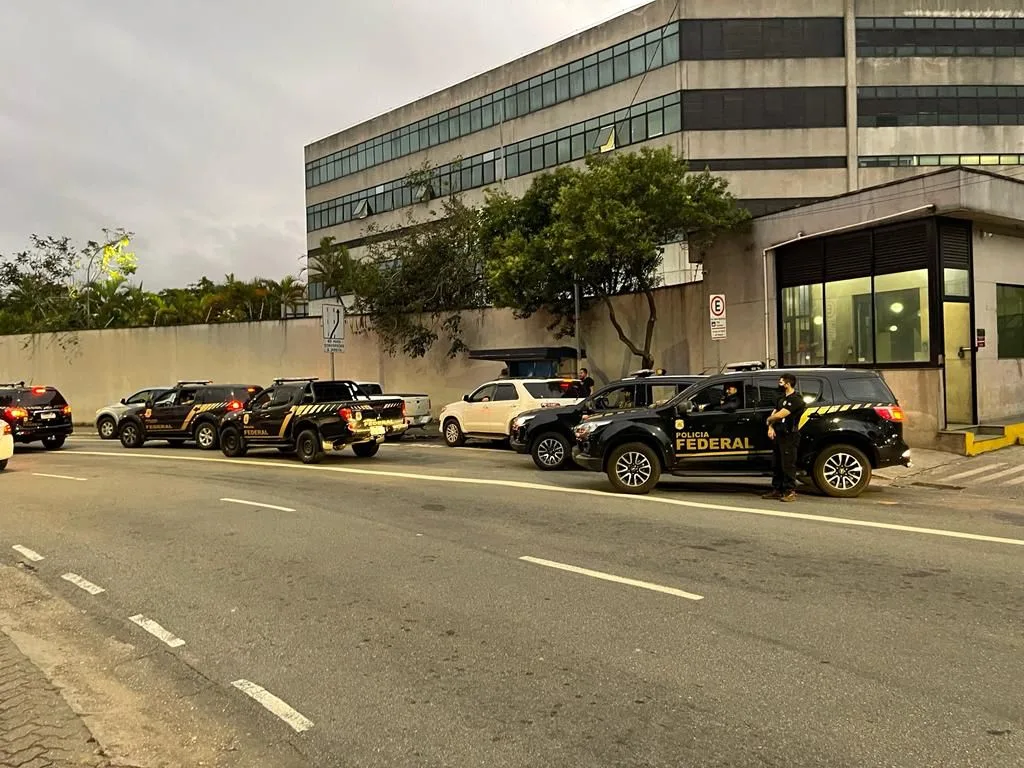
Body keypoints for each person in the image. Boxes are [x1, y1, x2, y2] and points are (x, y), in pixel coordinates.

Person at [763, 373, 805, 502]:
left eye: (781, 382)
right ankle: (777, 489)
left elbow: (781, 414)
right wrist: (770, 427)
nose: (779, 384)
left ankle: (790, 491)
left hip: (789, 435)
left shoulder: (796, 399)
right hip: (778, 434)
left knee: (788, 464)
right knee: (777, 464)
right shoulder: (781, 398)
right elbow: (775, 412)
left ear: (788, 383)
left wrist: (769, 420)